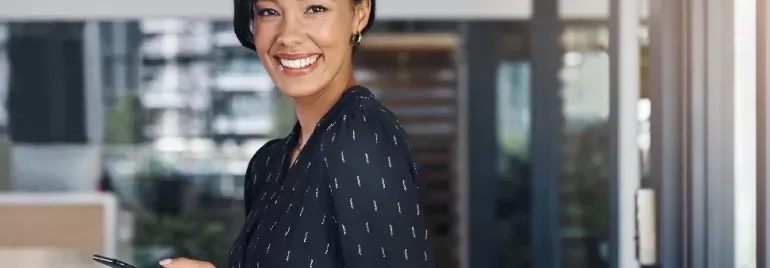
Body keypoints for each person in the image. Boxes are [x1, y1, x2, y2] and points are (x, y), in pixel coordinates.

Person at [159, 0, 434, 267]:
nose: (288, 36)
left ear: (359, 14)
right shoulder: (267, 164)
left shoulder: (360, 138)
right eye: (269, 11)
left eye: (315, 8)